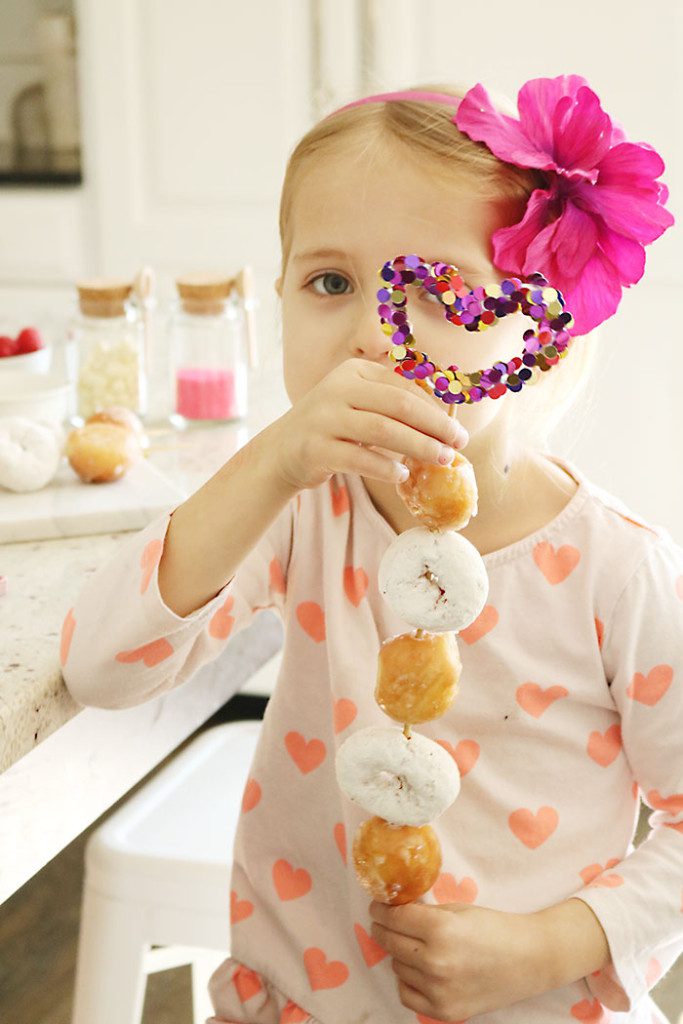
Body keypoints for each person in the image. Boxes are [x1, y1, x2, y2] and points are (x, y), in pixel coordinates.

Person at [60, 76, 682, 1024]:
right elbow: (101, 668)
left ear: (540, 333)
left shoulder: (616, 572)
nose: (370, 334)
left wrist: (553, 943)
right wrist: (266, 461)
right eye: (329, 283)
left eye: (436, 290)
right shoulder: (300, 508)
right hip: (304, 999)